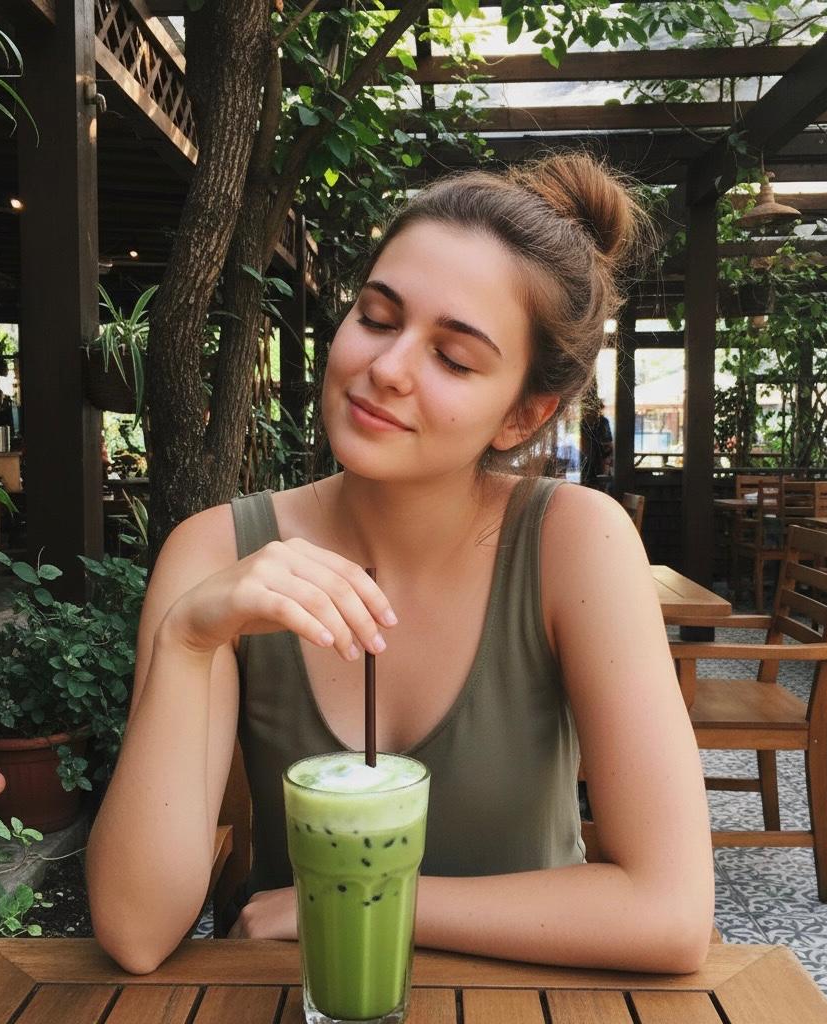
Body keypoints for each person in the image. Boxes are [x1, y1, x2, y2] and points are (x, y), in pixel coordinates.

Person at [86, 153, 714, 976]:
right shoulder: (214, 551)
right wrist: (186, 644)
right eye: (377, 318)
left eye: (454, 359)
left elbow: (669, 913)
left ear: (524, 413)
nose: (386, 368)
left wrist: (357, 901)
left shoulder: (573, 542)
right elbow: (135, 932)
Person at [579, 397, 614, 489]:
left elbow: (583, 443)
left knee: (589, 482)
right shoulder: (603, 421)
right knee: (599, 483)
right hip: (597, 458)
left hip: (589, 457)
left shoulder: (584, 422)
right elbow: (608, 441)